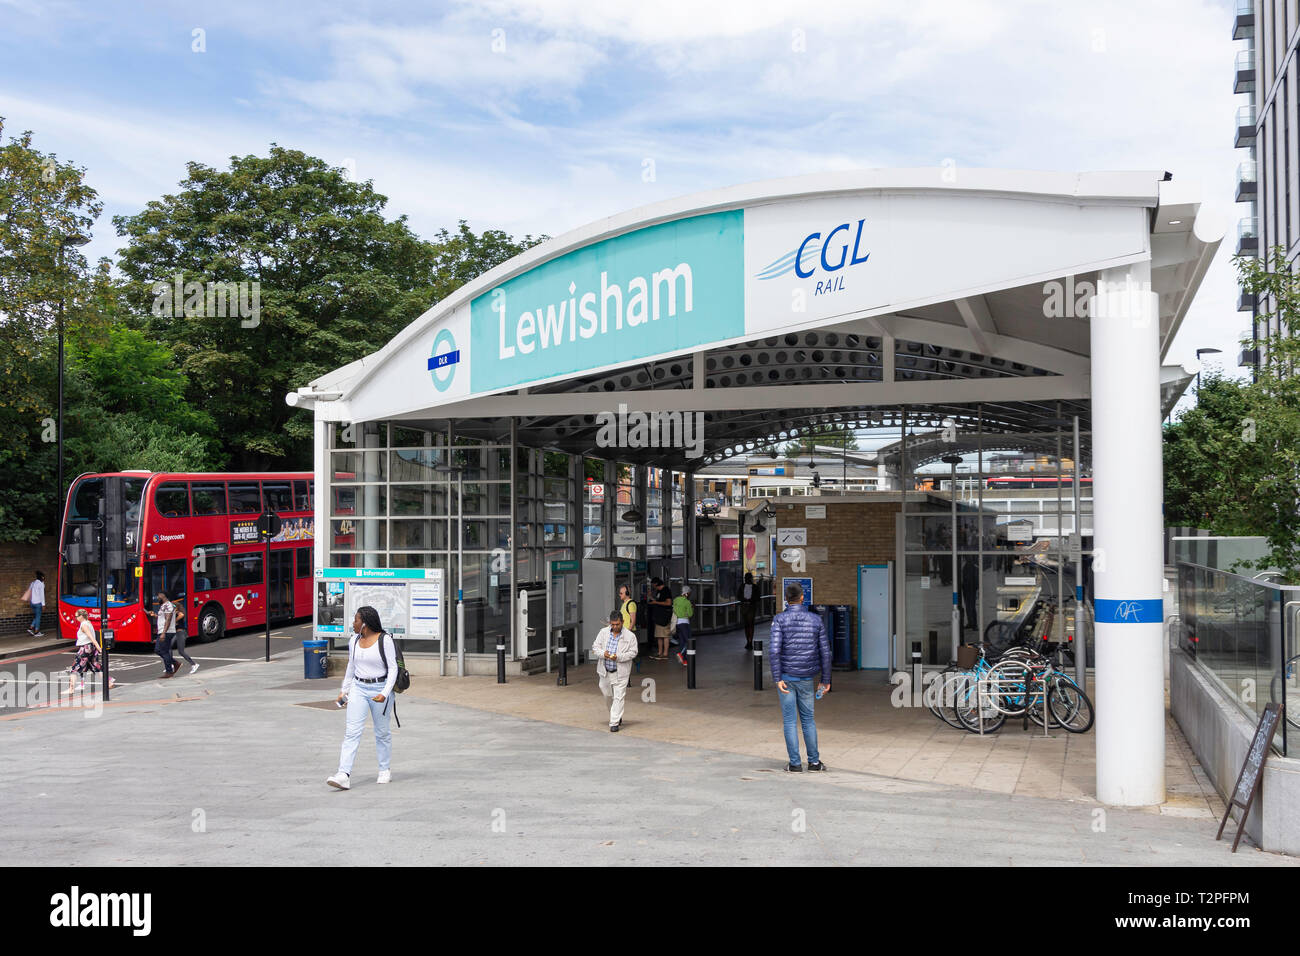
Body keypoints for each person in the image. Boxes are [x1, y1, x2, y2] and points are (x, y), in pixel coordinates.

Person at [328, 606, 398, 789]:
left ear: (365, 624)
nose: (353, 623)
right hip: (358, 688)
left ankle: (384, 769)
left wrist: (384, 693)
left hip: (380, 688)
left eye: (356, 620)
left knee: (382, 732)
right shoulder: (354, 641)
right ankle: (343, 774)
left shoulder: (385, 640)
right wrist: (344, 690)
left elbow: (393, 669)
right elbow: (351, 666)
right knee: (352, 732)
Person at [769, 582, 831, 772]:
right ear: (802, 597)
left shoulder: (779, 620)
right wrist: (825, 680)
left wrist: (777, 677)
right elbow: (825, 652)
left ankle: (795, 764)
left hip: (786, 678)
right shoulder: (815, 620)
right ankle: (814, 762)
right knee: (808, 720)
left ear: (786, 599)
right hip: (806, 678)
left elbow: (774, 651)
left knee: (789, 721)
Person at [591, 608, 637, 732]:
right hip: (605, 670)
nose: (615, 626)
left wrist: (619, 657)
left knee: (619, 696)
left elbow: (633, 652)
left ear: (622, 622)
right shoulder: (603, 632)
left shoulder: (630, 636)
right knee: (607, 695)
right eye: (612, 624)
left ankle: (614, 722)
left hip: (620, 672)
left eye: (617, 624)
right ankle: (615, 713)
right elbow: (595, 646)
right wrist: (603, 654)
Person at [64, 608, 114, 693]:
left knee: (75, 668)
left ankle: (71, 689)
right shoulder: (88, 623)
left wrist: (98, 647)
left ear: (81, 616)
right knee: (95, 666)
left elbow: (91, 636)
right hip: (91, 648)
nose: (76, 618)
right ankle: (108, 683)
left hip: (85, 648)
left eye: (77, 616)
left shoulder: (84, 625)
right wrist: (96, 647)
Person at [145, 590, 180, 679]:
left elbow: (168, 619)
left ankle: (169, 671)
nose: (157, 597)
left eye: (158, 595)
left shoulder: (168, 605)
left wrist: (163, 633)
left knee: (163, 651)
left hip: (167, 632)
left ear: (162, 595)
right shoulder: (163, 606)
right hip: (163, 631)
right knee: (159, 650)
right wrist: (154, 615)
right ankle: (174, 664)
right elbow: (163, 618)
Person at [648, 577, 673, 660]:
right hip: (659, 616)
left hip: (664, 617)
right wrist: (651, 597)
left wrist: (656, 602)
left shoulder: (666, 590)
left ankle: (665, 653)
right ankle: (660, 652)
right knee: (659, 635)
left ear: (656, 584)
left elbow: (669, 603)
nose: (653, 587)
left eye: (653, 585)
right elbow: (658, 600)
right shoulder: (659, 591)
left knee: (665, 635)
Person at [672, 585, 694, 666]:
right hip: (685, 624)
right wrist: (692, 607)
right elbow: (690, 614)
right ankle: (681, 654)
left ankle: (684, 661)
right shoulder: (687, 602)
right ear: (687, 593)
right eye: (689, 593)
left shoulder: (675, 600)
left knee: (682, 641)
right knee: (689, 641)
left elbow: (674, 609)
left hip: (677, 623)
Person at [740, 571, 760, 649]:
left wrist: (751, 599)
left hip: (751, 607)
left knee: (750, 624)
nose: (746, 580)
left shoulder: (755, 587)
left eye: (748, 578)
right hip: (744, 607)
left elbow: (758, 597)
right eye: (746, 578)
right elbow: (738, 595)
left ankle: (750, 641)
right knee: (746, 625)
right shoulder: (742, 586)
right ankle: (748, 641)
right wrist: (743, 599)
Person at [25, 571, 45, 637]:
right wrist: (43, 604)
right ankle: (36, 632)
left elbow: (29, 592)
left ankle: (31, 628)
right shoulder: (41, 584)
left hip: (32, 603)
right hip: (38, 603)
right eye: (43, 577)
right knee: (38, 617)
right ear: (42, 577)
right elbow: (42, 595)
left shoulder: (32, 583)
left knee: (36, 616)